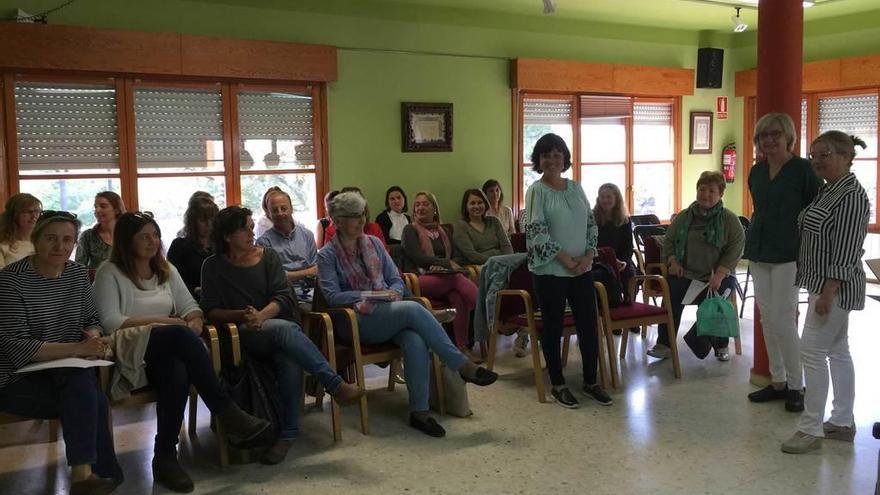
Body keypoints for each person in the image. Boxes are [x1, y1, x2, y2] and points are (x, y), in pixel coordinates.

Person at [93, 212, 271, 493]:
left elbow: (191, 308)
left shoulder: (166, 270)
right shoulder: (109, 272)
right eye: (144, 236)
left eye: (155, 234)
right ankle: (226, 411)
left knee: (176, 368)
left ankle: (165, 457)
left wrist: (193, 323)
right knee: (176, 333)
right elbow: (110, 322)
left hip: (164, 354)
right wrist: (171, 324)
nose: (153, 242)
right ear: (126, 241)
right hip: (127, 353)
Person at [317, 192, 497, 437]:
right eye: (352, 217)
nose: (360, 221)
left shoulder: (374, 243)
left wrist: (391, 292)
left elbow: (396, 280)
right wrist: (369, 295)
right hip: (356, 321)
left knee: (415, 339)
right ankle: (461, 364)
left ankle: (419, 413)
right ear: (337, 221)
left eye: (361, 215)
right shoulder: (327, 255)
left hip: (388, 312)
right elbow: (332, 297)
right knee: (415, 308)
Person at [201, 206, 365, 465]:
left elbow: (283, 297)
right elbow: (210, 310)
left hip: (273, 326)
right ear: (226, 236)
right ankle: (335, 385)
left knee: (288, 353)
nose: (251, 232)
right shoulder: (212, 266)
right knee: (287, 331)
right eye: (244, 228)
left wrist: (262, 315)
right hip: (239, 337)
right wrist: (244, 316)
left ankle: (286, 436)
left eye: (251, 226)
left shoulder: (268, 258)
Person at [0, 211, 123, 495]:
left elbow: (92, 319)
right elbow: (17, 346)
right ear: (35, 240)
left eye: (67, 240)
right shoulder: (10, 281)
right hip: (16, 379)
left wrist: (93, 337)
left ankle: (87, 477)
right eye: (51, 238)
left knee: (82, 386)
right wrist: (79, 349)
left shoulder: (77, 274)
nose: (60, 246)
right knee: (93, 400)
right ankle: (99, 477)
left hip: (65, 373)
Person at [781, 132, 870, 455]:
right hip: (822, 285)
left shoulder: (851, 195)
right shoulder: (830, 190)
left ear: (846, 156)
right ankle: (842, 422)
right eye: (813, 154)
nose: (817, 160)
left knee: (812, 352)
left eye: (825, 154)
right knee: (836, 351)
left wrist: (828, 291)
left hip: (833, 288)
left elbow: (846, 249)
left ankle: (810, 429)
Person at [523, 133, 611, 409]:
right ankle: (559, 384)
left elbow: (590, 224)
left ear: (565, 159)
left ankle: (590, 381)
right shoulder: (537, 191)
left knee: (588, 324)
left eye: (557, 154)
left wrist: (587, 256)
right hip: (550, 270)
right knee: (553, 326)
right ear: (538, 160)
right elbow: (536, 232)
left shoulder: (575, 187)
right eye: (546, 155)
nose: (552, 160)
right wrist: (565, 259)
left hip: (581, 268)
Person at [745, 112, 822, 412]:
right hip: (760, 250)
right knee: (766, 317)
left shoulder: (803, 170)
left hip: (790, 253)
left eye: (776, 134)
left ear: (789, 137)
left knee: (784, 319)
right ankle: (777, 381)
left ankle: (795, 384)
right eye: (764, 135)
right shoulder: (757, 171)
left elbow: (815, 213)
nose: (770, 139)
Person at [648, 171, 745, 362]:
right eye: (702, 189)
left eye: (711, 191)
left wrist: (720, 274)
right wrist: (673, 261)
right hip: (688, 274)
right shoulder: (684, 217)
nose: (705, 194)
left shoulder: (729, 220)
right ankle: (664, 344)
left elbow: (736, 247)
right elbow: (668, 242)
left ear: (720, 194)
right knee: (671, 294)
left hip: (719, 276)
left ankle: (720, 344)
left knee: (716, 301)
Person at [401, 191, 480, 360]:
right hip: (418, 280)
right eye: (418, 204)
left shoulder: (443, 230)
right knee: (457, 278)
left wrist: (449, 264)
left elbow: (454, 256)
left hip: (444, 279)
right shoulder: (409, 229)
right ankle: (485, 311)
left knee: (458, 296)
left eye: (425, 204)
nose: (420, 207)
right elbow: (418, 258)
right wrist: (447, 265)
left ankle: (461, 348)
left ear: (434, 209)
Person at [593, 183, 637, 334]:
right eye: (602, 197)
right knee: (607, 275)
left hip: (620, 259)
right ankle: (614, 319)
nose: (605, 200)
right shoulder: (592, 218)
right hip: (599, 260)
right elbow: (592, 244)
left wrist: (623, 261)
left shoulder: (624, 219)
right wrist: (610, 260)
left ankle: (630, 313)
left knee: (630, 271)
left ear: (616, 199)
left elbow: (628, 246)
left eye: (609, 197)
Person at [256, 188, 319, 291]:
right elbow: (272, 277)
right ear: (269, 214)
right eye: (275, 210)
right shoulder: (263, 242)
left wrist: (288, 274)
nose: (280, 213)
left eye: (284, 208)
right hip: (282, 293)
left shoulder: (307, 235)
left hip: (311, 289)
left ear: (291, 209)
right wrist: (307, 272)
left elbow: (316, 269)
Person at [167, 197, 219, 300]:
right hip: (189, 300)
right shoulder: (180, 246)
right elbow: (173, 280)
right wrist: (196, 290)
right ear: (192, 222)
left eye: (212, 219)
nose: (208, 224)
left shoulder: (220, 245)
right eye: (203, 220)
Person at [452, 188, 513, 267]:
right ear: (466, 206)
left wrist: (508, 260)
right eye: (472, 203)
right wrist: (497, 262)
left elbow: (506, 246)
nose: (476, 206)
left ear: (485, 204)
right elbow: (471, 255)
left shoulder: (494, 221)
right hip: (477, 266)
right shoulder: (461, 226)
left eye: (480, 202)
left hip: (502, 264)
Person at [323, 187, 387, 249]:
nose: (361, 220)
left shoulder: (375, 234)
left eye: (362, 214)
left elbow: (384, 256)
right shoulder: (332, 233)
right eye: (354, 215)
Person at [76, 191, 125, 270]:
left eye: (103, 206)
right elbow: (79, 268)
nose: (97, 210)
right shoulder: (88, 236)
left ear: (117, 210)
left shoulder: (130, 234)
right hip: (97, 281)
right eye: (95, 207)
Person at [0, 193, 41, 267]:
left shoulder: (42, 242)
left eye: (36, 211)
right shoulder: (3, 245)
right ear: (13, 215)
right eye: (27, 212)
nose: (34, 216)